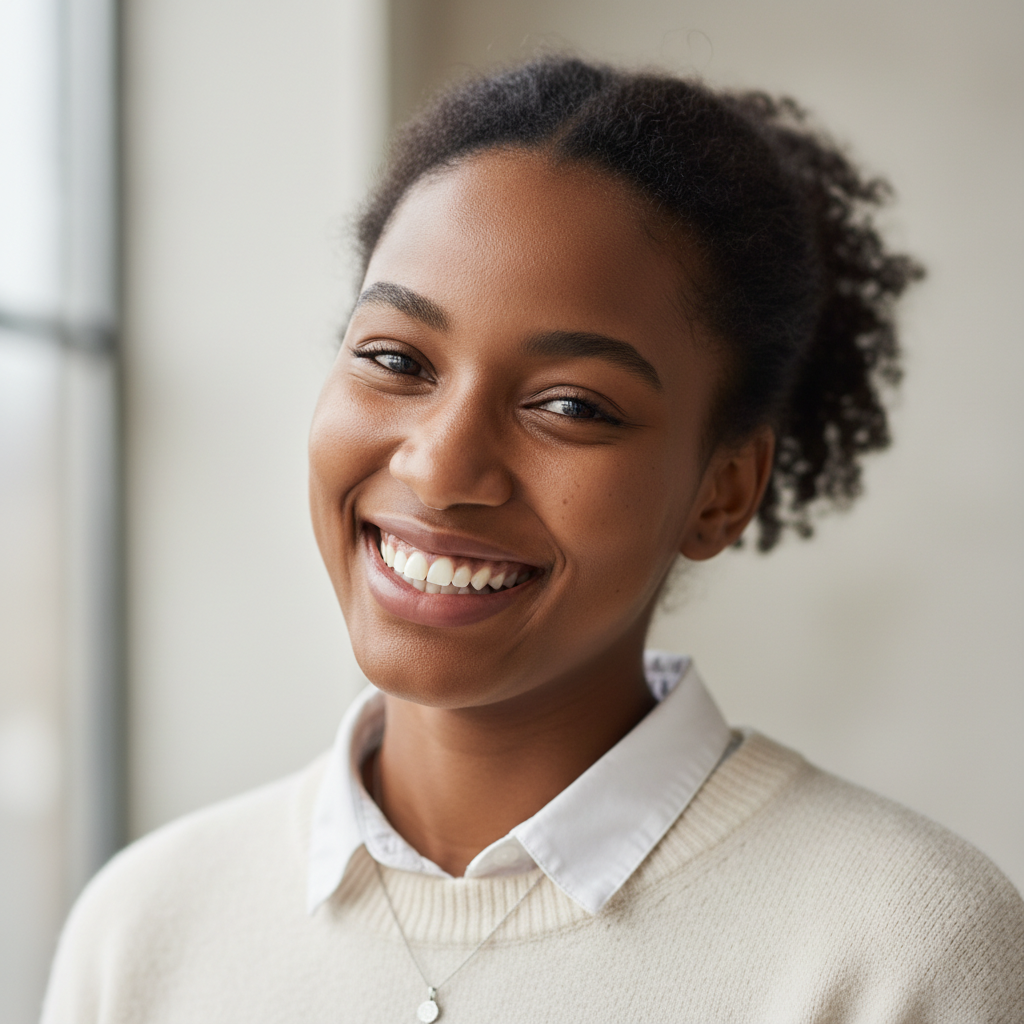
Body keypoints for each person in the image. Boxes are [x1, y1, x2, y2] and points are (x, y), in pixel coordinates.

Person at [43, 56, 1023, 1022]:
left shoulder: (900, 950)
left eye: (571, 405)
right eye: (393, 358)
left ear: (721, 492)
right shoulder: (147, 927)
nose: (437, 467)